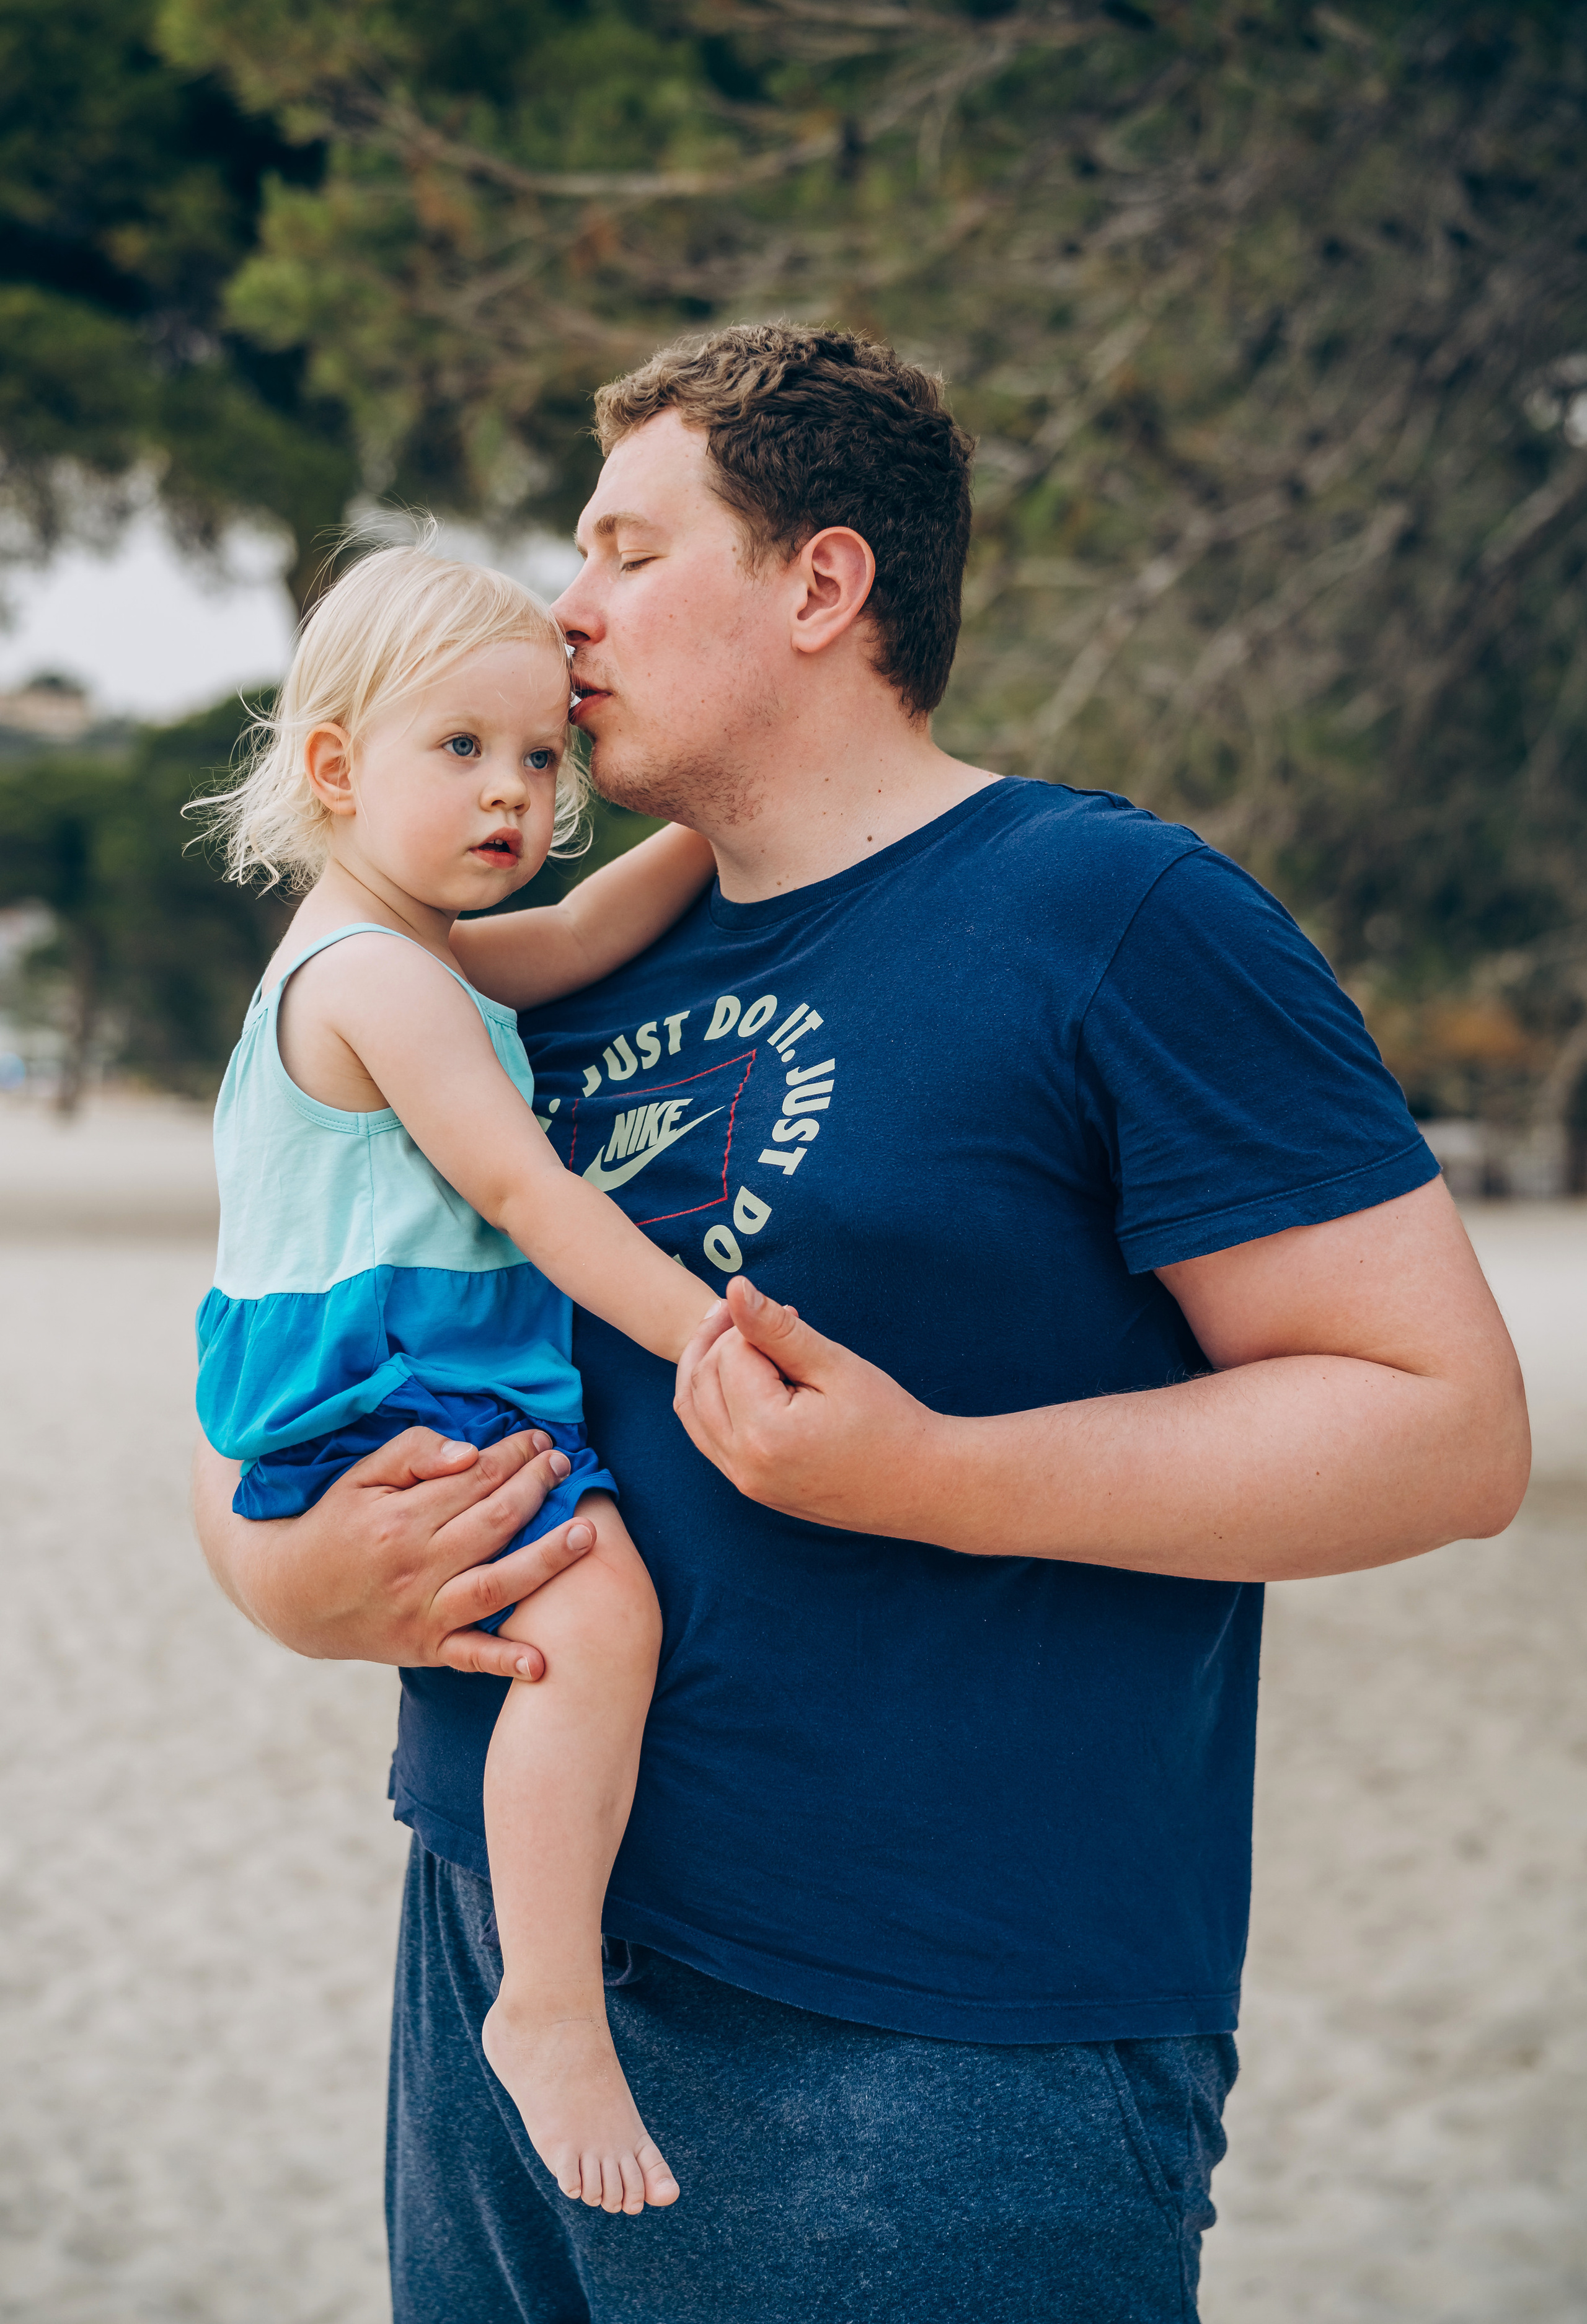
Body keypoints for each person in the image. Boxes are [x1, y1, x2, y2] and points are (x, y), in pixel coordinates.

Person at [193, 324, 1530, 2324]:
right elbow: (308, 1335)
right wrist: (288, 1575)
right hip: (493, 1956)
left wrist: (944, 1475)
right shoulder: (519, 973)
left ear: (823, 584)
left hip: (934, 2049)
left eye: (630, 552)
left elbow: (1446, 1432)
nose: (568, 616)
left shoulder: (1118, 916)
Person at [193, 542, 727, 2212]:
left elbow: (569, 935)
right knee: (599, 1616)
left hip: (380, 1362)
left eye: (541, 754)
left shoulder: (408, 943)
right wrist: (693, 1326)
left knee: (581, 1619)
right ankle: (547, 2000)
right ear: (337, 766)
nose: (515, 792)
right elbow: (522, 1190)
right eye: (461, 750)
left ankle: (551, 1980)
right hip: (384, 1375)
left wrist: (730, 813)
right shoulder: (375, 979)